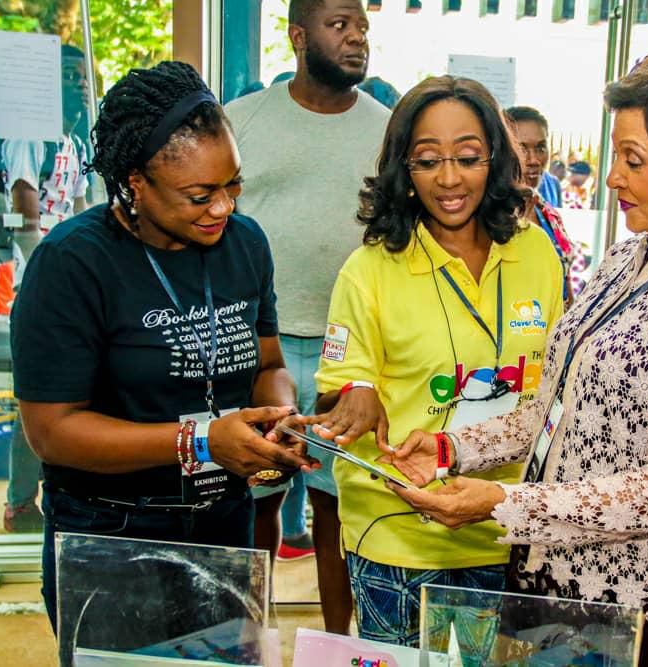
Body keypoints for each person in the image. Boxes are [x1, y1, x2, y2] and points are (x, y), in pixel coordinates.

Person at [384, 42, 648, 664]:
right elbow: (555, 409)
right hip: (560, 570)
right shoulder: (628, 258)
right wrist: (452, 449)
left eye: (632, 159)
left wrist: (502, 502)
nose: (611, 177)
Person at [9, 61, 314, 633]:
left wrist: (280, 415)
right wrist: (201, 440)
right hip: (112, 534)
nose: (223, 208)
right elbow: (51, 431)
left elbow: (268, 364)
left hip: (224, 523)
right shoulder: (73, 263)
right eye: (199, 195)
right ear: (136, 183)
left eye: (233, 185)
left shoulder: (245, 244)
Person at [305, 75, 564, 647]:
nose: (449, 179)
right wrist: (355, 391)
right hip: (398, 535)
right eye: (427, 161)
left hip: (503, 525)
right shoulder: (370, 270)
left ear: (495, 159)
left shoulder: (536, 254)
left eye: (468, 158)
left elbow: (553, 389)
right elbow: (336, 390)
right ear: (405, 168)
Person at [224, 0, 389, 633]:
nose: (356, 37)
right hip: (257, 345)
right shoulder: (242, 120)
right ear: (298, 35)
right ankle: (248, 640)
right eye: (339, 25)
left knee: (334, 507)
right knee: (258, 499)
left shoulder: (387, 130)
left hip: (348, 350)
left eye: (361, 26)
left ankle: (339, 646)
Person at [0, 43, 91, 534]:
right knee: (36, 397)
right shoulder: (29, 138)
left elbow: (80, 210)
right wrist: (50, 280)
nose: (80, 85)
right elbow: (26, 210)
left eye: (83, 77)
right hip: (39, 282)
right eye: (69, 77)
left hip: (71, 284)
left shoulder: (73, 142)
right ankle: (19, 502)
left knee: (72, 392)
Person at [505, 106, 586, 302]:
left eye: (541, 148)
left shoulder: (547, 211)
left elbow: (564, 279)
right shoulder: (490, 217)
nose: (534, 160)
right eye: (522, 149)